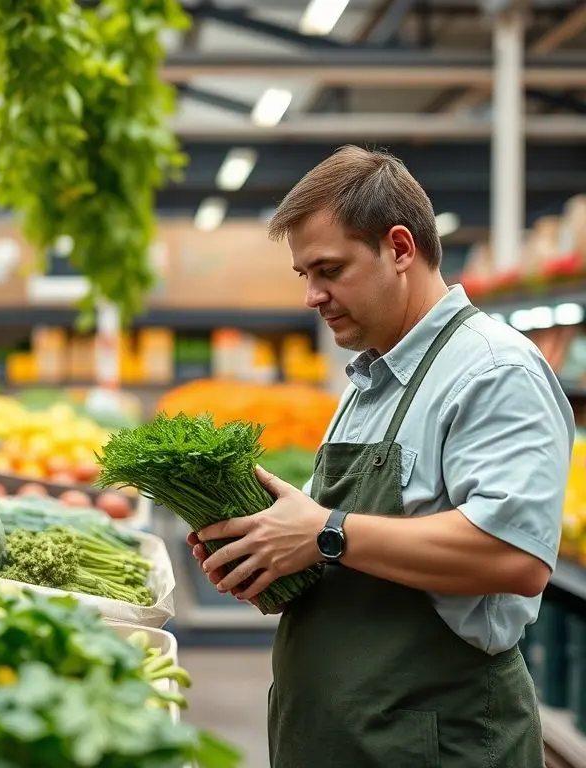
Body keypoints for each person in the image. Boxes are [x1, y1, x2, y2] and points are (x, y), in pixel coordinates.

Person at [186, 145, 575, 768]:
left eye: (329, 270)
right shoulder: (371, 378)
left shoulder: (493, 369)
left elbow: (514, 555)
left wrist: (326, 534)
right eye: (304, 276)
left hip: (434, 741)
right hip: (341, 734)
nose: (313, 295)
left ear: (399, 248)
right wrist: (266, 558)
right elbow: (348, 547)